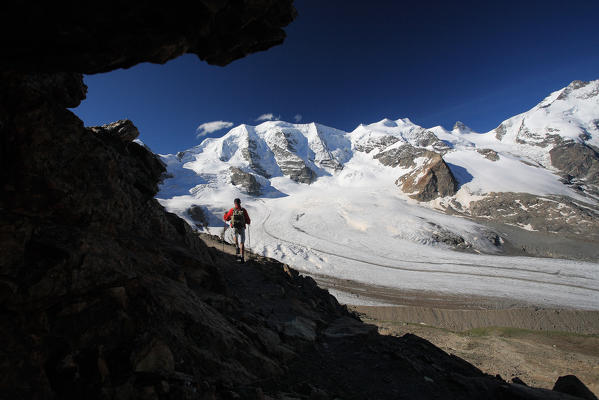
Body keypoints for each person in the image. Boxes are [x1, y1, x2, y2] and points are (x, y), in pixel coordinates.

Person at [223, 198, 251, 263]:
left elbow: (226, 218)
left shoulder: (232, 210)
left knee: (235, 237)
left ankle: (236, 247)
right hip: (242, 227)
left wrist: (225, 214)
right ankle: (242, 258)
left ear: (234, 203)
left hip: (234, 227)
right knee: (242, 242)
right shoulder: (243, 210)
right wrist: (246, 222)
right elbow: (248, 221)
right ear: (240, 203)